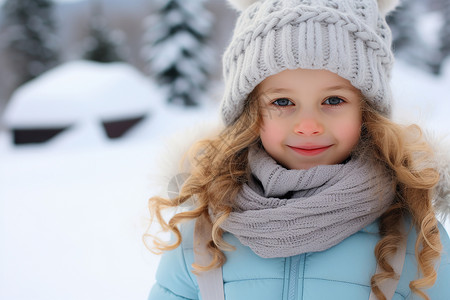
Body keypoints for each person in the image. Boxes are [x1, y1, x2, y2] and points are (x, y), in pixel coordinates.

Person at [145, 0, 450, 299]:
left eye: (333, 101)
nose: (308, 126)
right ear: (249, 113)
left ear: (366, 111)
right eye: (282, 102)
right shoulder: (201, 234)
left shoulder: (418, 240)